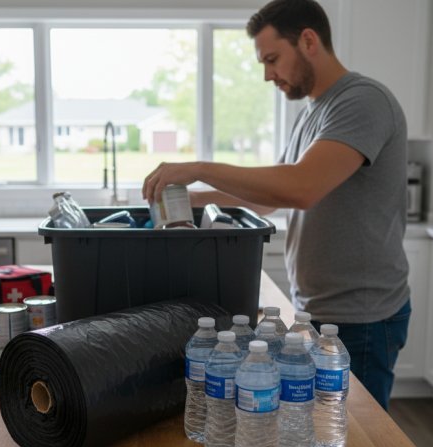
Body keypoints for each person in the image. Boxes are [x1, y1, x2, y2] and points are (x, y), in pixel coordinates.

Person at [141, 0, 410, 410]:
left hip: (362, 316)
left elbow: (301, 188)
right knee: (322, 427)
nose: (268, 75)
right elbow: (270, 197)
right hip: (322, 307)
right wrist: (198, 199)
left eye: (272, 59)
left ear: (308, 41)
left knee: (357, 446)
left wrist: (198, 168)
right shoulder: (313, 113)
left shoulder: (362, 101)